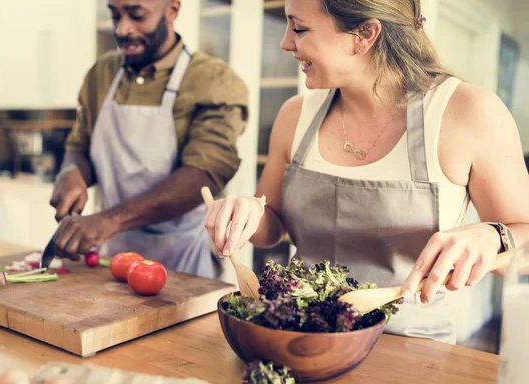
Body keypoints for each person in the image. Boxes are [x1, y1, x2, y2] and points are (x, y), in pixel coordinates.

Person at [204, 0, 529, 343]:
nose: (286, 42)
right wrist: (249, 212)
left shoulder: (468, 112)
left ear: (364, 34)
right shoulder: (294, 114)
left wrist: (495, 236)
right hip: (306, 338)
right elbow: (271, 227)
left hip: (415, 348)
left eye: (299, 28)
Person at [49, 0, 248, 278]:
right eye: (115, 15)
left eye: (136, 15)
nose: (122, 29)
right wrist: (73, 172)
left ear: (172, 10)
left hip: (185, 259)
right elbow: (80, 144)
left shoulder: (213, 81)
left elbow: (203, 174)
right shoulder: (102, 74)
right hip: (113, 256)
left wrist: (109, 219)